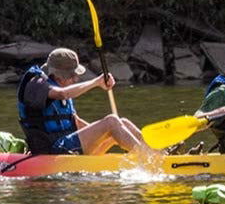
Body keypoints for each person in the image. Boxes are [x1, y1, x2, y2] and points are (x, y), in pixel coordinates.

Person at [16, 48, 157, 158]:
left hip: (69, 145)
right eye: (73, 76)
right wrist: (96, 82)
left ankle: (158, 155)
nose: (76, 79)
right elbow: (62, 94)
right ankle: (147, 160)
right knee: (111, 121)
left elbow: (76, 122)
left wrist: (106, 133)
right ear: (59, 74)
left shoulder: (61, 86)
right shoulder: (36, 85)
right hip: (54, 150)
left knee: (121, 122)